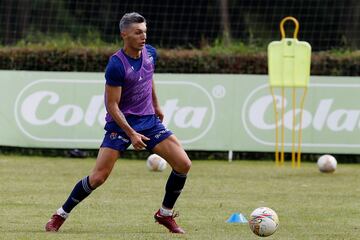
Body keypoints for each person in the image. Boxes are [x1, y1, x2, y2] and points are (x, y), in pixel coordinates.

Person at [45, 12, 191, 234]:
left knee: (183, 164)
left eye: (145, 32)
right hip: (120, 125)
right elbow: (112, 105)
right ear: (124, 34)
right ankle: (60, 215)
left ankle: (165, 214)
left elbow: (148, 77)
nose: (143, 36)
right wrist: (131, 133)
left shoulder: (151, 53)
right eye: (138, 32)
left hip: (149, 122)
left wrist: (157, 105)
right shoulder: (116, 64)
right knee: (98, 177)